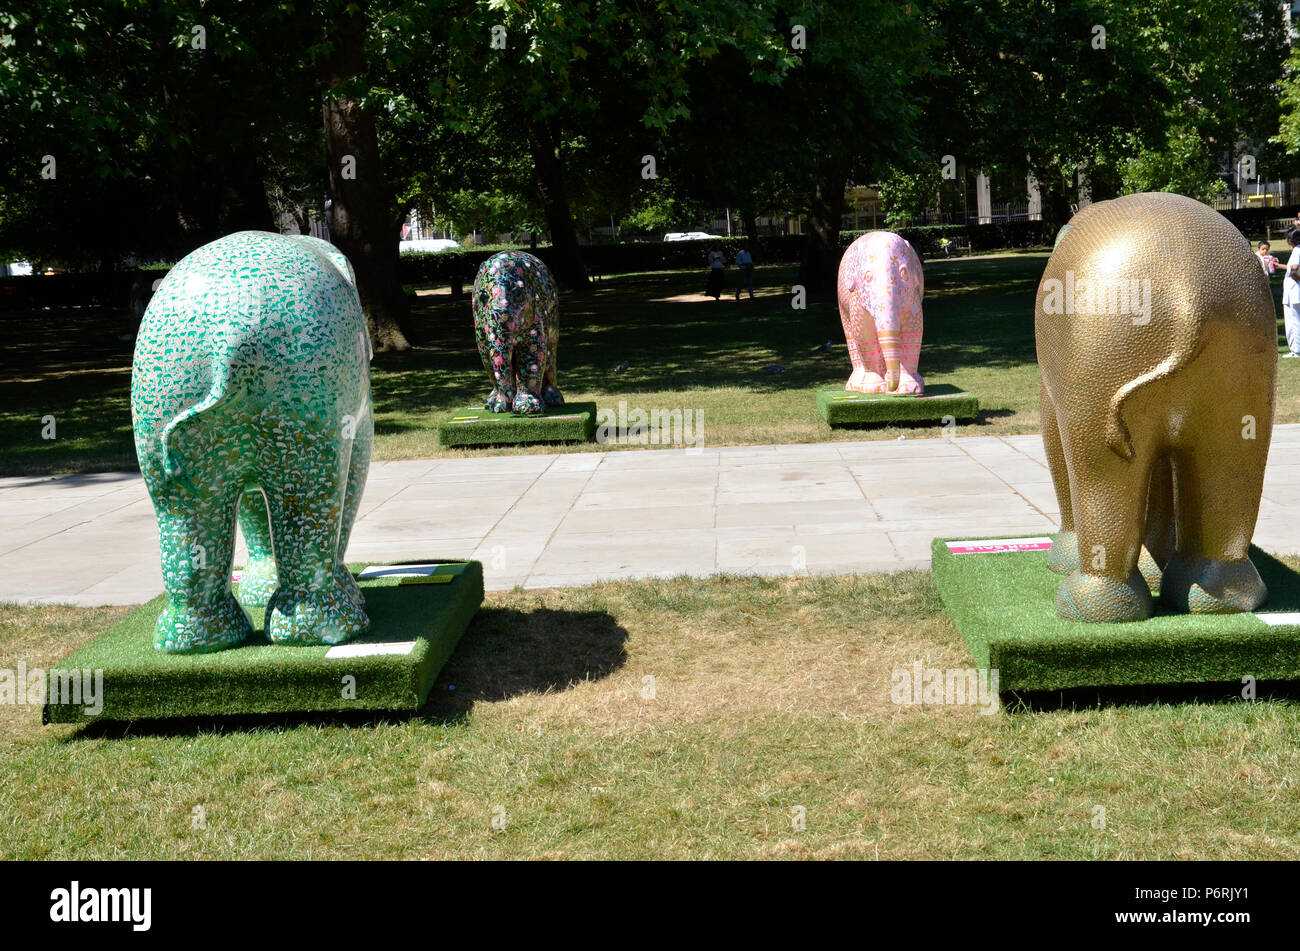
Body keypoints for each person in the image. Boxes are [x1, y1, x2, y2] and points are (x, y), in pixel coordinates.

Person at [1283, 230, 1300, 358]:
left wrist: (1295, 277)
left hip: (1293, 290)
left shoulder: (1297, 250)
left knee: (1293, 321)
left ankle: (1296, 349)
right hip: (1294, 290)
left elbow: (1294, 267)